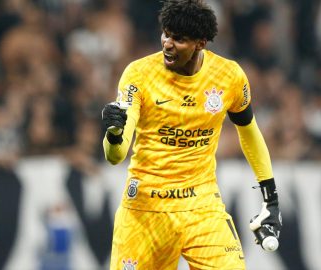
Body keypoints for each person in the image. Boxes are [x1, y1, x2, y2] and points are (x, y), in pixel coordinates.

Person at [101, 0, 282, 269]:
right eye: (166, 34)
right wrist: (114, 134)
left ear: (200, 43)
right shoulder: (138, 75)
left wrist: (271, 200)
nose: (167, 44)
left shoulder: (229, 76)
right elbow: (115, 156)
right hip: (145, 210)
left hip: (202, 207)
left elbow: (250, 133)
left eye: (179, 39)